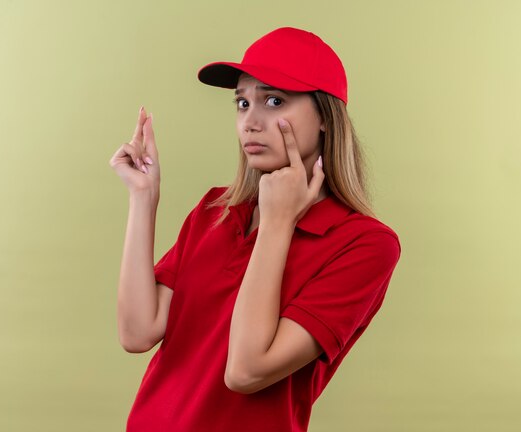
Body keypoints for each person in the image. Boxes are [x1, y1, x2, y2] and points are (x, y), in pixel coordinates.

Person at [109, 26, 401, 432]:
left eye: (274, 101)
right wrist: (144, 198)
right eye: (243, 102)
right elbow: (138, 332)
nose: (251, 121)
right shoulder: (216, 210)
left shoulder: (364, 244)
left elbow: (246, 371)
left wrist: (278, 223)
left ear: (325, 119)